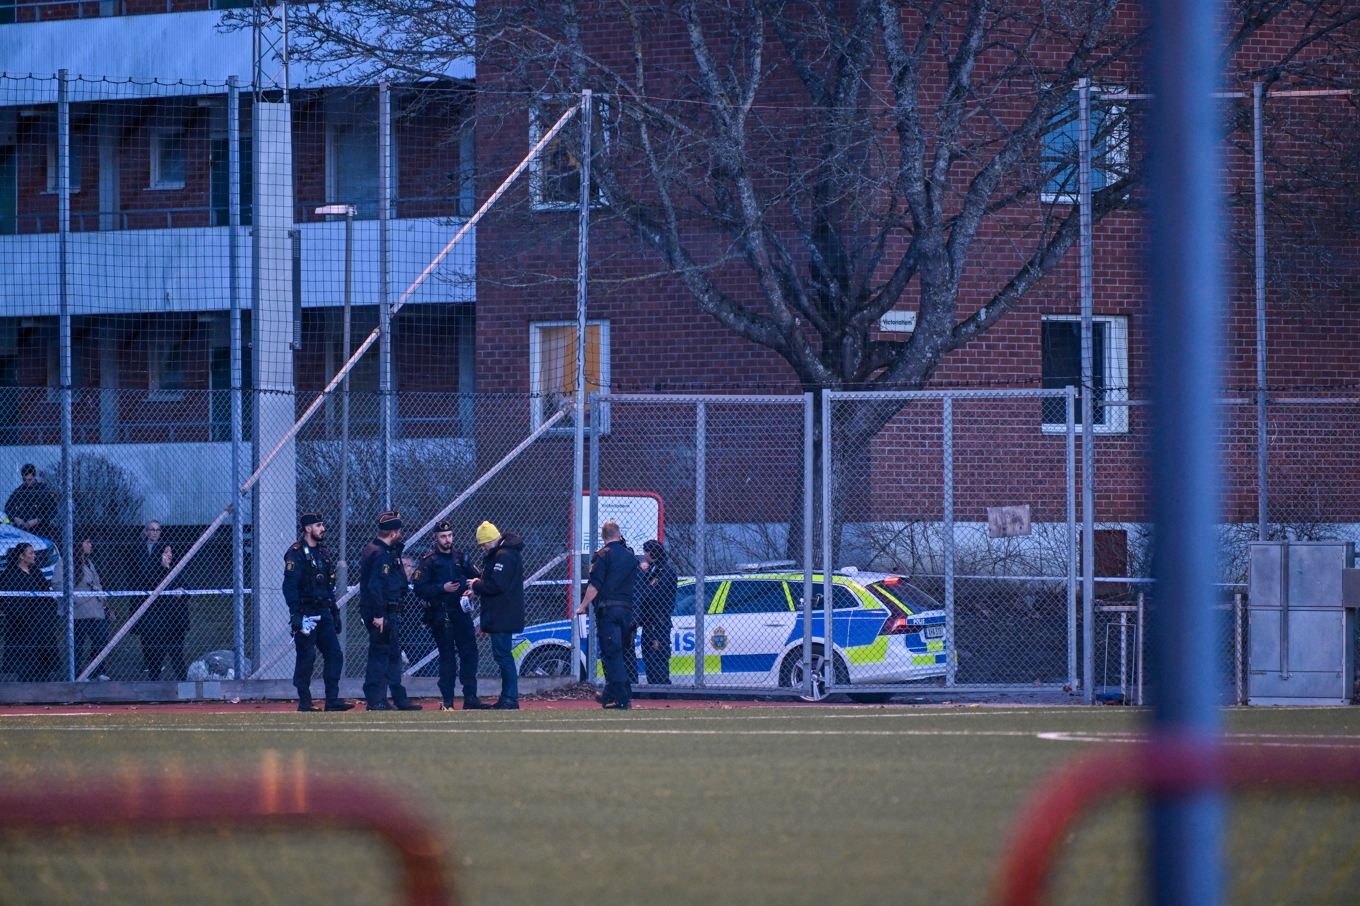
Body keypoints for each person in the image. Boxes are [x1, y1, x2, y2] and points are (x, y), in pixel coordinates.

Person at [414, 520, 487, 711]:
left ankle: (470, 697)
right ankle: (448, 701)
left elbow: (480, 577)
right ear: (435, 538)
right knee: (447, 659)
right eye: (443, 536)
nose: (448, 540)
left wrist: (472, 589)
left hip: (462, 613)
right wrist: (442, 588)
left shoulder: (461, 558)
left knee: (469, 654)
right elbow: (419, 588)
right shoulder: (429, 561)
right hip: (442, 614)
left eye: (450, 536)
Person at [282, 512, 352, 712]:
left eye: (322, 524)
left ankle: (332, 700)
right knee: (307, 656)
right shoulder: (296, 553)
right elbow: (289, 585)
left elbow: (327, 586)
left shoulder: (323, 553)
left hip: (323, 611)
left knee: (335, 654)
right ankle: (305, 702)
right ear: (307, 528)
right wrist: (295, 613)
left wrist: (334, 610)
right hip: (306, 613)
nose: (323, 529)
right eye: (318, 525)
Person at [358, 510, 422, 711]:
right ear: (393, 533)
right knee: (380, 655)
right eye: (399, 532)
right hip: (381, 612)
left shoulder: (381, 551)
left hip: (386, 610)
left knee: (392, 654)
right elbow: (375, 586)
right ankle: (375, 699)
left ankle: (395, 697)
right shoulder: (380, 554)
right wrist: (379, 615)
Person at [576, 521, 639, 709]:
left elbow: (594, 586)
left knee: (612, 655)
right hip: (627, 611)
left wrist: (583, 606)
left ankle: (623, 698)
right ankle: (608, 695)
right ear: (619, 534)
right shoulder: (631, 556)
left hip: (609, 611)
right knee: (621, 653)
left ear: (603, 537)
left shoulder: (602, 556)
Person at [468, 521, 524, 710]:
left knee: (503, 656)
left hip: (502, 613)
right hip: (504, 612)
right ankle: (507, 696)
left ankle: (509, 697)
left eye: (483, 543)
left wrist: (476, 585)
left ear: (491, 539)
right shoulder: (508, 553)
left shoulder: (503, 556)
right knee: (503, 656)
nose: (483, 548)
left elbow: (496, 585)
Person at [53, 537, 112, 681]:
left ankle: (97, 670)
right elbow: (57, 584)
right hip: (78, 610)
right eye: (87, 542)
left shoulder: (89, 563)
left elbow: (96, 582)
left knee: (101, 639)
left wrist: (104, 600)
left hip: (95, 609)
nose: (91, 545)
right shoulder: (65, 562)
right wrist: (74, 600)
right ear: (79, 544)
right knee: (77, 643)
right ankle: (78, 674)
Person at [0, 542, 57, 681]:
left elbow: (46, 594)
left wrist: (47, 612)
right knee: (26, 660)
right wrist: (23, 615)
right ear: (21, 556)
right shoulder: (10, 575)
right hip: (22, 623)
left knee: (44, 660)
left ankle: (44, 681)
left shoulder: (36, 572)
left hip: (41, 622)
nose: (34, 556)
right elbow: (8, 601)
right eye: (31, 553)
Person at [137, 542, 189, 682]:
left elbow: (187, 588)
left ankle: (183, 684)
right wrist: (166, 571)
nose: (170, 555)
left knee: (177, 655)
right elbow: (158, 587)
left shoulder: (176, 570)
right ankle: (154, 684)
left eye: (170, 552)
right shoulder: (150, 570)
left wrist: (182, 591)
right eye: (166, 552)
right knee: (156, 656)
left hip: (176, 623)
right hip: (158, 623)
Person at [635, 539, 677, 687]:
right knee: (648, 656)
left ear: (651, 553)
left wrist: (641, 579)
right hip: (648, 620)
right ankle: (653, 687)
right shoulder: (653, 569)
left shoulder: (665, 571)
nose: (644, 554)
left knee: (657, 655)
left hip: (658, 621)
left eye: (645, 551)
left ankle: (661, 688)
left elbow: (650, 593)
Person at [5, 464, 57, 538]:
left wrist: (37, 520)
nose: (27, 482)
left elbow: (53, 510)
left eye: (29, 479)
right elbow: (8, 507)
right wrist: (15, 518)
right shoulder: (19, 491)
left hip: (41, 531)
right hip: (22, 531)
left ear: (34, 475)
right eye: (24, 480)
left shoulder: (43, 490)